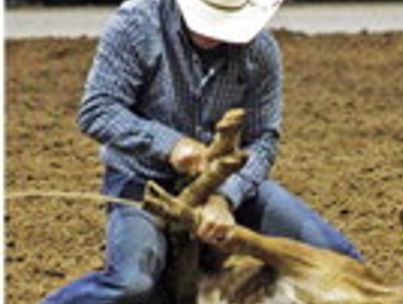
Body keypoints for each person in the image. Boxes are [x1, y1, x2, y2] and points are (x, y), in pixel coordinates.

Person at [42, 0, 364, 302]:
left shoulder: (261, 52)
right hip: (143, 180)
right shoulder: (137, 25)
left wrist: (224, 196)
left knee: (338, 257)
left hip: (229, 180)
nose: (214, 31)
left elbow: (263, 140)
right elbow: (98, 110)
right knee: (131, 284)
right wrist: (169, 144)